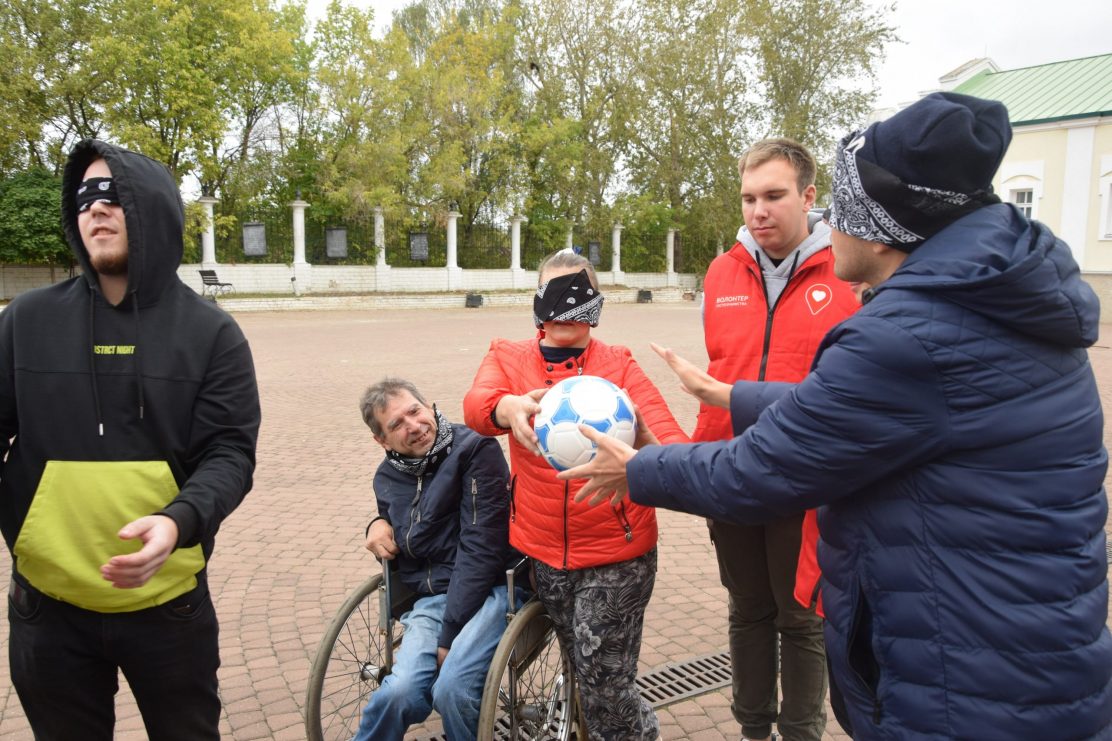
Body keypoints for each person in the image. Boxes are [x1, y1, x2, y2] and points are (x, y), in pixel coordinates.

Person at [560, 92, 1112, 739]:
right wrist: (733, 396)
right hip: (1020, 649)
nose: (829, 223)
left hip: (965, 679)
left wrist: (642, 469)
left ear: (881, 223)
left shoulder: (909, 332)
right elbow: (867, 410)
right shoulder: (986, 301)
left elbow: (767, 465)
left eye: (837, 208)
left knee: (796, 621)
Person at [1, 139, 261, 739]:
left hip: (169, 605)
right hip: (47, 605)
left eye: (114, 196)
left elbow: (229, 452)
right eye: (86, 197)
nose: (96, 209)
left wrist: (179, 521)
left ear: (152, 209)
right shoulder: (25, 321)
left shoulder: (212, 335)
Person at [463, 250, 688, 741]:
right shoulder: (507, 357)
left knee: (605, 687)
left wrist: (641, 452)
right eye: (554, 292)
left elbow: (676, 449)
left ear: (597, 302)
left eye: (578, 292)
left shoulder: (618, 366)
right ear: (537, 301)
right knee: (584, 673)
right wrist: (506, 406)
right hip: (544, 555)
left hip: (617, 555)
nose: (566, 308)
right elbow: (477, 407)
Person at [697, 138, 858, 741]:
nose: (758, 211)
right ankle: (752, 729)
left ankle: (801, 733)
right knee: (748, 611)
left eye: (773, 196)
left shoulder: (846, 272)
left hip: (808, 475)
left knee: (802, 617)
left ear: (808, 196)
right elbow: (720, 366)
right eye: (748, 198)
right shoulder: (720, 272)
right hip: (733, 471)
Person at [355, 377, 514, 741]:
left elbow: (482, 548)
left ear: (430, 406)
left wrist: (449, 635)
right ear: (381, 440)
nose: (413, 426)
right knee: (399, 692)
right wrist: (376, 523)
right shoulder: (388, 474)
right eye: (396, 424)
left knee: (452, 690)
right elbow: (390, 514)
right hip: (434, 598)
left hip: (493, 590)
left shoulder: (476, 450)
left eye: (414, 411)